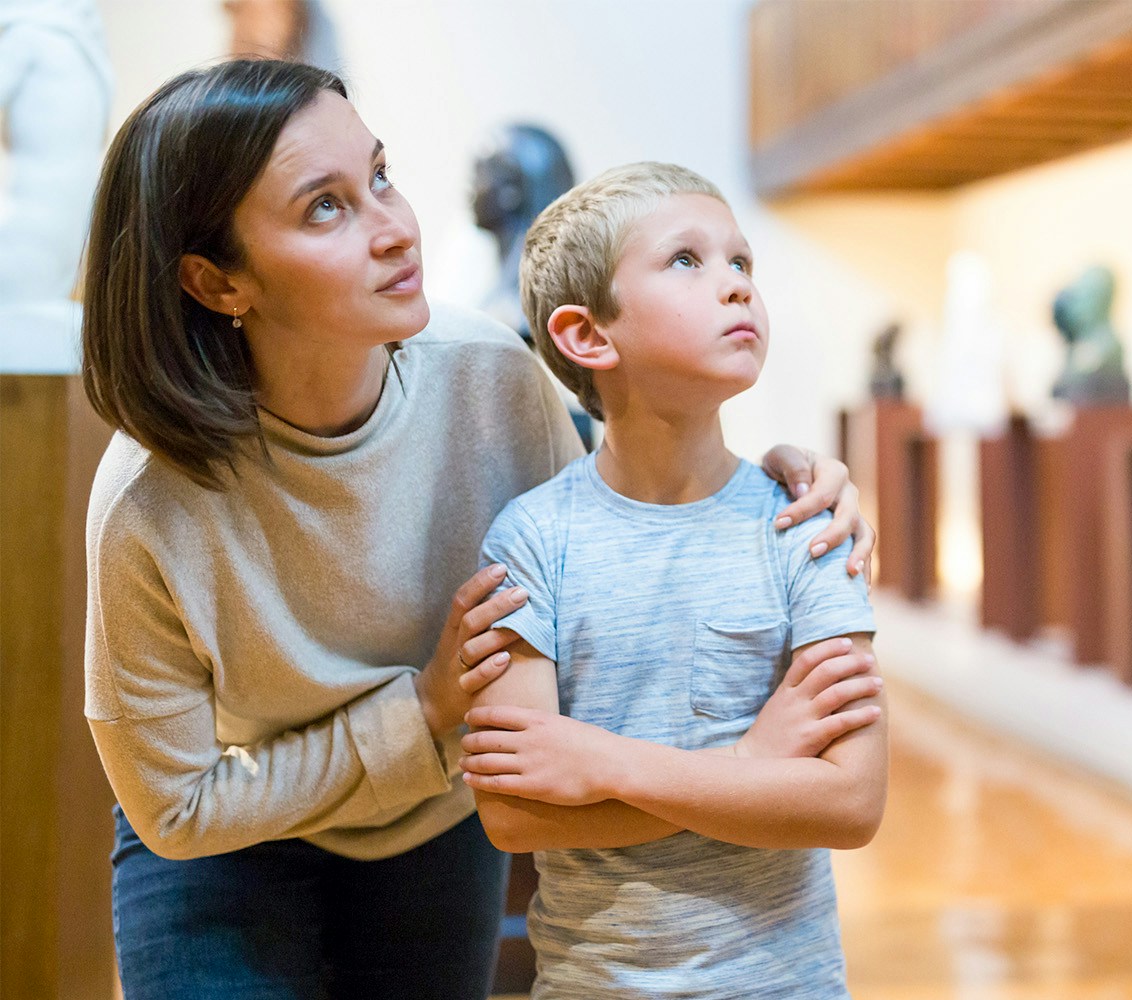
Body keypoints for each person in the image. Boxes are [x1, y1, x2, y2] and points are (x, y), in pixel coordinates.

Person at [79, 60, 876, 999]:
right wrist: (421, 712)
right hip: (228, 827)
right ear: (217, 281)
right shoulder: (147, 498)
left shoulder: (493, 381)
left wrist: (777, 481)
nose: (395, 229)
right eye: (325, 209)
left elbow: (628, 499)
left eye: (379, 176)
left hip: (431, 814)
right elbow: (177, 803)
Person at [458, 162, 888, 998]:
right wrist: (757, 761)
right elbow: (513, 815)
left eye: (742, 263)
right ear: (587, 335)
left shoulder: (806, 523)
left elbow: (849, 801)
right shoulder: (531, 541)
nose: (735, 287)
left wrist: (603, 765)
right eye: (687, 261)